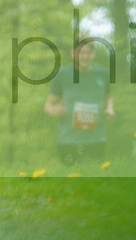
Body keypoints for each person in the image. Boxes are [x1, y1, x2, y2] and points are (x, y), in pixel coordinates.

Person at [44, 37, 115, 165]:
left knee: (95, 179)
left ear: (93, 54)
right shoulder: (62, 74)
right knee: (71, 181)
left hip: (96, 138)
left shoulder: (102, 74)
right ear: (73, 54)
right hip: (68, 139)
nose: (85, 57)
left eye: (88, 53)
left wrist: (109, 109)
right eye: (81, 53)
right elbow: (48, 104)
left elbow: (108, 96)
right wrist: (53, 110)